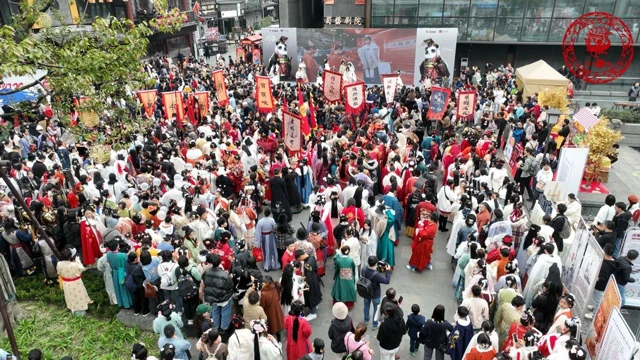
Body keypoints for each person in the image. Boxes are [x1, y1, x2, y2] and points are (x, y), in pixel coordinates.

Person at [201, 253, 234, 332]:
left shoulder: (206, 273)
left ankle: (215, 326)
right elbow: (230, 286)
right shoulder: (225, 275)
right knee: (225, 312)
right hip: (223, 298)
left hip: (212, 297)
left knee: (215, 311)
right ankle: (224, 327)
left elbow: (205, 283)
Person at [585, 243, 617, 319]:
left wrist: (595, 279)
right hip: (605, 286)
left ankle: (594, 314)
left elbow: (602, 279)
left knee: (598, 300)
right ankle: (595, 308)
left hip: (600, 287)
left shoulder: (605, 265)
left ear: (604, 251)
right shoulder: (613, 261)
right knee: (598, 299)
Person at [56, 248, 91, 316]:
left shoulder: (59, 264)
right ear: (70, 256)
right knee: (79, 296)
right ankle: (81, 311)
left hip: (66, 283)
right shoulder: (74, 265)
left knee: (70, 296)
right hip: (76, 283)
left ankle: (73, 309)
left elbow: (59, 272)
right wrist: (78, 261)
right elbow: (82, 269)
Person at [360, 255, 391, 329]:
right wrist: (388, 271)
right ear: (376, 264)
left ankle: (366, 320)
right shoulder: (377, 275)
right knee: (376, 309)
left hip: (366, 292)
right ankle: (374, 324)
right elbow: (387, 281)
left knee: (366, 306)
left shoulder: (363, 269)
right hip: (375, 294)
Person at [259, 276, 285, 340]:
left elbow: (262, 305)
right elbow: (278, 298)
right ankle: (279, 341)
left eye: (263, 282)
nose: (262, 283)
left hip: (269, 313)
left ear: (267, 283)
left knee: (271, 328)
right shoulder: (275, 288)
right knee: (278, 327)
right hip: (277, 311)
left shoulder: (263, 293)